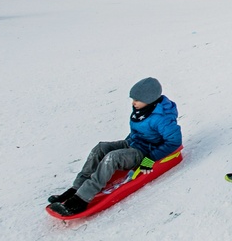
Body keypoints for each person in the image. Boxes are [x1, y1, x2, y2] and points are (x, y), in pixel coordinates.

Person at [47, 77, 182, 217]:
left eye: (137, 100)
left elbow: (174, 141)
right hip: (133, 143)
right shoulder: (142, 110)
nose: (133, 103)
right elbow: (138, 131)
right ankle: (77, 188)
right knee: (100, 148)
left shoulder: (162, 118)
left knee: (112, 158)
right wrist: (124, 146)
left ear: (150, 99)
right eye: (133, 99)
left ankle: (81, 200)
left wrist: (150, 159)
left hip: (145, 151)